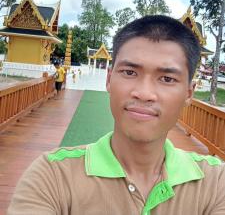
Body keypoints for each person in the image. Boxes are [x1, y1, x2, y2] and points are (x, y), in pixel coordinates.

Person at [8, 15, 225, 214]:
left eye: (167, 79)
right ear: (109, 80)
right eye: (129, 72)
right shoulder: (53, 175)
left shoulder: (216, 181)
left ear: (189, 93)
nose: (144, 93)